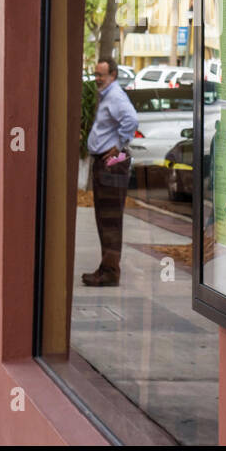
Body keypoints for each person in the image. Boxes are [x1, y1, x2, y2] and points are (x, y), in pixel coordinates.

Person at [81, 57, 138, 286]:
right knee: (105, 218)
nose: (97, 79)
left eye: (101, 75)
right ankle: (106, 268)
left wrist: (118, 145)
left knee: (110, 218)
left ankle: (110, 272)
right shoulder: (109, 96)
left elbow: (131, 119)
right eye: (95, 75)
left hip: (112, 164)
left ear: (112, 75)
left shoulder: (115, 96)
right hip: (106, 162)